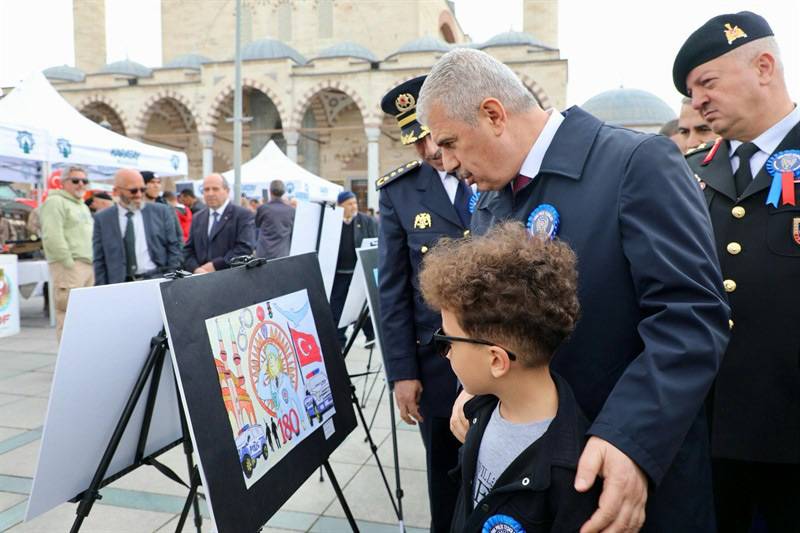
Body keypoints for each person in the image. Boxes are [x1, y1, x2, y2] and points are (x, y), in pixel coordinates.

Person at [417, 48, 730, 532]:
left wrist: (630, 439)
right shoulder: (490, 202)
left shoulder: (634, 163)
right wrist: (474, 390)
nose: (450, 164)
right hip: (531, 484)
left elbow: (690, 317)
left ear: (493, 114)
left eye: (451, 143)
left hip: (618, 475)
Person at [674, 11, 799, 532]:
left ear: (764, 66)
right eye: (690, 90)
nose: (696, 100)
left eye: (707, 82)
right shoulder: (692, 171)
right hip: (710, 432)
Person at [419, 222, 601, 532]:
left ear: (496, 360)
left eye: (447, 340)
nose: (446, 351)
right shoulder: (480, 410)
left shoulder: (570, 474)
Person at [377, 75, 473, 532]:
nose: (431, 151)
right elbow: (392, 292)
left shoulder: (489, 172)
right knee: (446, 481)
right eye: (418, 142)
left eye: (433, 137)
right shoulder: (399, 192)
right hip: (436, 366)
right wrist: (402, 373)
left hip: (505, 357)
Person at [93, 169, 183, 284]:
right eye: (133, 191)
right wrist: (102, 289)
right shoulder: (103, 219)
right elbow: (99, 260)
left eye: (142, 189)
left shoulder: (162, 212)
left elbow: (174, 247)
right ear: (116, 191)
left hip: (156, 281)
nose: (139, 195)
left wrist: (170, 278)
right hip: (119, 285)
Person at [39, 165, 94, 341]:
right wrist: (67, 262)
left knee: (85, 316)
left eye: (84, 181)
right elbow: (52, 235)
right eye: (75, 180)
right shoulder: (55, 202)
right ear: (63, 183)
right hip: (70, 266)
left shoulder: (82, 205)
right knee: (68, 315)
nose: (81, 184)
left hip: (88, 265)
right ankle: (68, 364)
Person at [329, 191, 377, 347]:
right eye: (349, 204)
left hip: (358, 273)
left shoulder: (367, 221)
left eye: (355, 203)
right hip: (338, 274)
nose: (354, 206)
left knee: (362, 306)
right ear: (340, 206)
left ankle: (371, 337)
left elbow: (374, 243)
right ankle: (339, 340)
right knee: (338, 308)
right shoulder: (333, 221)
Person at [183, 173, 255, 274]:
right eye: (206, 189)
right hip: (200, 280)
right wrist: (196, 269)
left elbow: (244, 248)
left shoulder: (242, 215)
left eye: (215, 189)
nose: (210, 193)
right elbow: (188, 250)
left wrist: (216, 265)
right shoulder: (197, 218)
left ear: (227, 191)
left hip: (230, 279)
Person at [254, 180, 295, 260]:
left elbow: (256, 224)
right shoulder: (291, 210)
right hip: (282, 254)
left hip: (263, 254)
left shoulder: (263, 208)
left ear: (270, 191)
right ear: (283, 192)